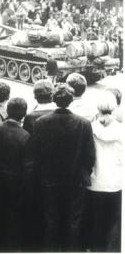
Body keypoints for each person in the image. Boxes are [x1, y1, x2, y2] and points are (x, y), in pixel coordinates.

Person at [28, 83, 96, 252]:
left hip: (49, 178)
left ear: (54, 99)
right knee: (74, 220)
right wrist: (84, 172)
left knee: (51, 219)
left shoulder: (41, 122)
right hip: (76, 179)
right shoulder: (84, 123)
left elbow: (35, 153)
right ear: (71, 100)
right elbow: (90, 155)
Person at [0, 97, 30, 252]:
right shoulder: (25, 135)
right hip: (14, 183)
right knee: (12, 217)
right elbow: (26, 165)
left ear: (7, 111)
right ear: (23, 115)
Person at [83, 92, 123, 252]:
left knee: (95, 222)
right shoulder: (121, 129)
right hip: (116, 182)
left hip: (94, 182)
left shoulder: (90, 128)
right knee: (113, 222)